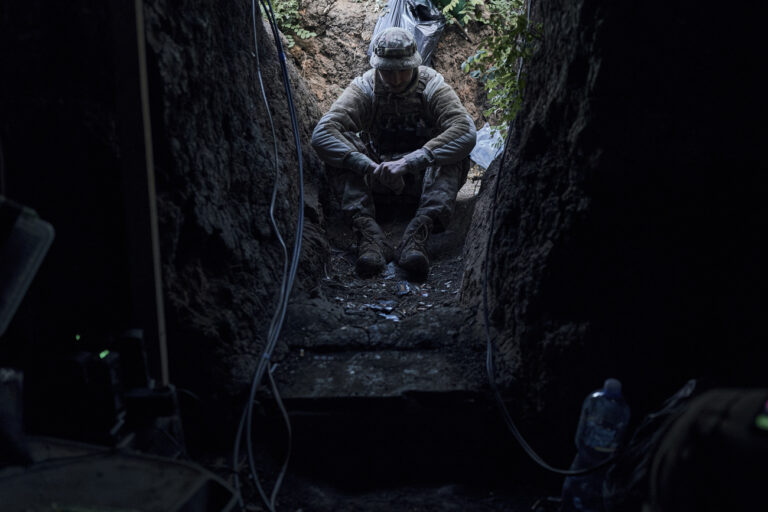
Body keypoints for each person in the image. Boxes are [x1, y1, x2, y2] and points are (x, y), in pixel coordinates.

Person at [311, 27, 476, 279]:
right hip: (378, 179)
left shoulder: (431, 86)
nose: (396, 78)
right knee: (339, 147)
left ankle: (419, 234)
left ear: (414, 65)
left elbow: (465, 130)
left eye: (403, 69)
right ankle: (369, 236)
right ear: (378, 67)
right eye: (388, 71)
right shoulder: (366, 87)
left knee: (452, 152)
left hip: (421, 180)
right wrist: (368, 166)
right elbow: (323, 133)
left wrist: (411, 161)